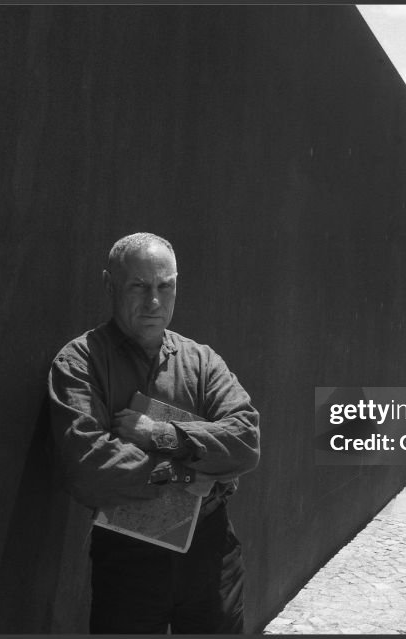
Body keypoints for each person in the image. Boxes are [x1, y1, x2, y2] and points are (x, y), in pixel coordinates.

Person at [49, 232, 260, 634]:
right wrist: (186, 473)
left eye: (166, 286)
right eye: (139, 286)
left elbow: (246, 439)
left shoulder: (202, 361)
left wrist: (161, 434)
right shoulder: (80, 362)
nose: (154, 302)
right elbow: (87, 466)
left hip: (212, 553)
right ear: (110, 285)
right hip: (130, 557)